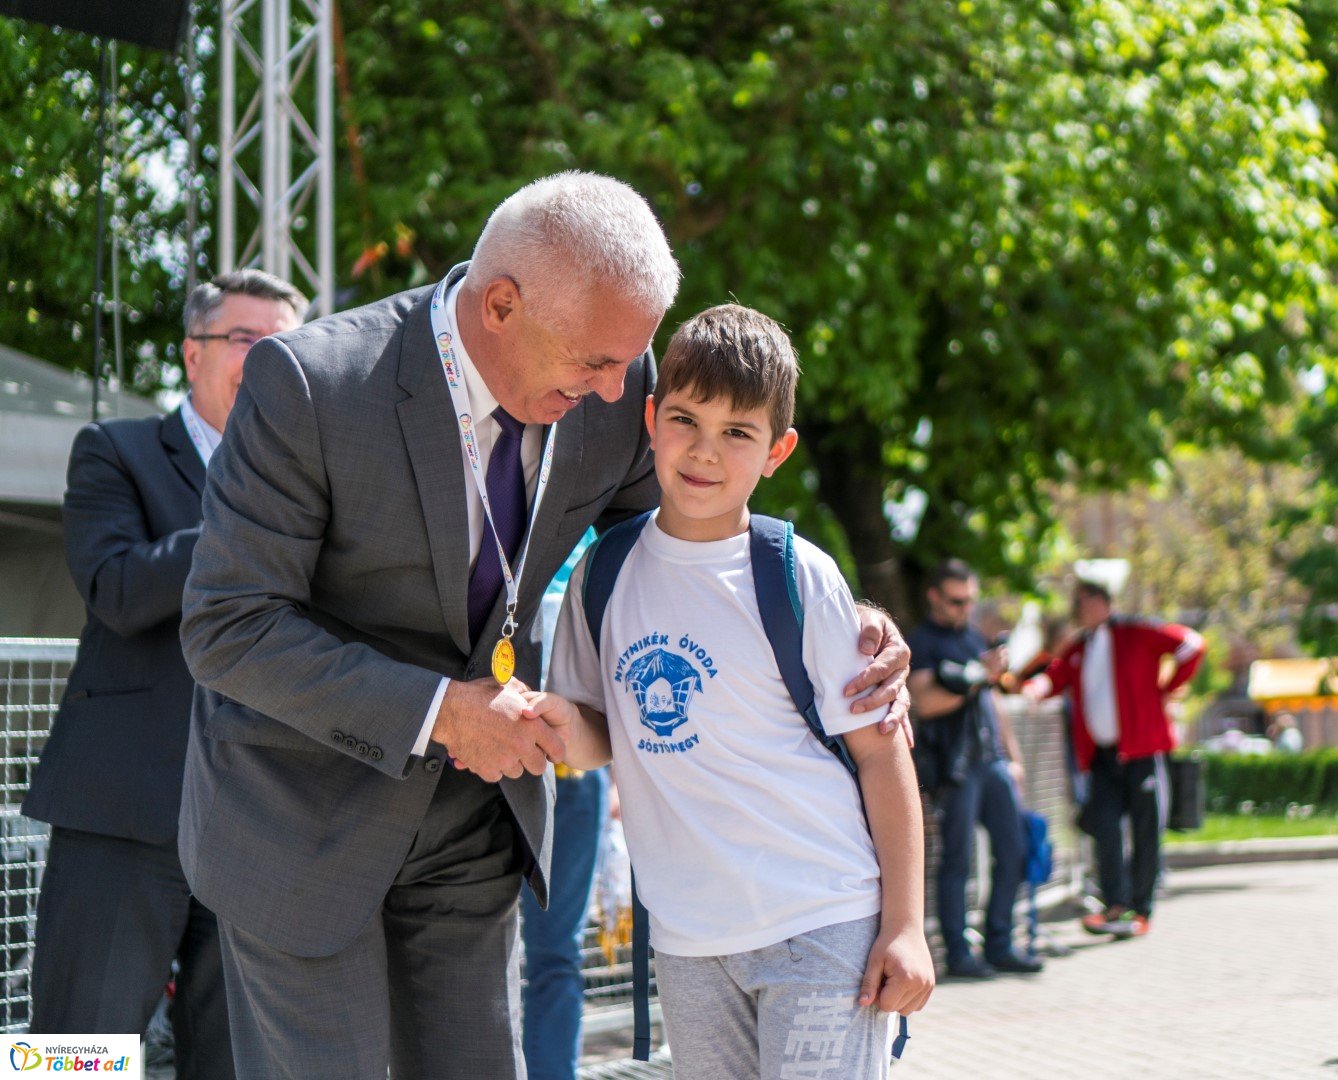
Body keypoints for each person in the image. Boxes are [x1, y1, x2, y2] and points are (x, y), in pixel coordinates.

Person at [177, 173, 910, 1079]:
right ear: (501, 305)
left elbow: (683, 546)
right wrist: (445, 713)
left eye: (625, 364)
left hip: (473, 830)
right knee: (95, 1015)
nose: (613, 393)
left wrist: (841, 614)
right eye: (594, 364)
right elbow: (227, 624)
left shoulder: (616, 381)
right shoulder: (314, 384)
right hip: (300, 824)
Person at [532, 304, 934, 1078]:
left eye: (737, 433)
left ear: (777, 450)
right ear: (651, 419)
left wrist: (905, 927)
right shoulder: (603, 572)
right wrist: (549, 727)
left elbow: (884, 758)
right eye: (685, 419)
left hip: (822, 922)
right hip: (687, 940)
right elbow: (596, 733)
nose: (704, 452)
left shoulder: (797, 572)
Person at [23, 270, 305, 1078]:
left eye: (284, 345)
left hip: (255, 824)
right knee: (79, 1051)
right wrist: (243, 506)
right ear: (192, 353)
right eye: (247, 340)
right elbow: (116, 590)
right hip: (124, 816)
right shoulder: (116, 450)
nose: (267, 359)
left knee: (233, 1061)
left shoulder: (312, 487)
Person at [1029, 578, 1204, 939]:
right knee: (1103, 826)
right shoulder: (1079, 647)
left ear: (1103, 602)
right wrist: (1031, 690)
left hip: (1142, 751)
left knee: (1146, 829)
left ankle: (1141, 910)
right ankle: (1116, 905)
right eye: (1077, 603)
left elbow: (1191, 645)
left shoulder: (1137, 632)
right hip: (1103, 757)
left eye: (1086, 601)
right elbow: (1053, 678)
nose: (1080, 609)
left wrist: (1168, 690)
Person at [908, 560, 1043, 979]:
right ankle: (959, 953)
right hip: (955, 768)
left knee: (1015, 851)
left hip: (992, 763)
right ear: (935, 596)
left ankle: (1000, 943)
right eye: (955, 600)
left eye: (969, 600)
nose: (964, 608)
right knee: (958, 860)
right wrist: (976, 680)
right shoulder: (922, 642)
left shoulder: (971, 637)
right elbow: (925, 702)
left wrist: (1013, 756)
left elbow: (992, 700)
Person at [519, 530, 608, 1080]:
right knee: (476, 946)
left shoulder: (601, 529)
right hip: (483, 759)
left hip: (574, 778)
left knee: (557, 952)